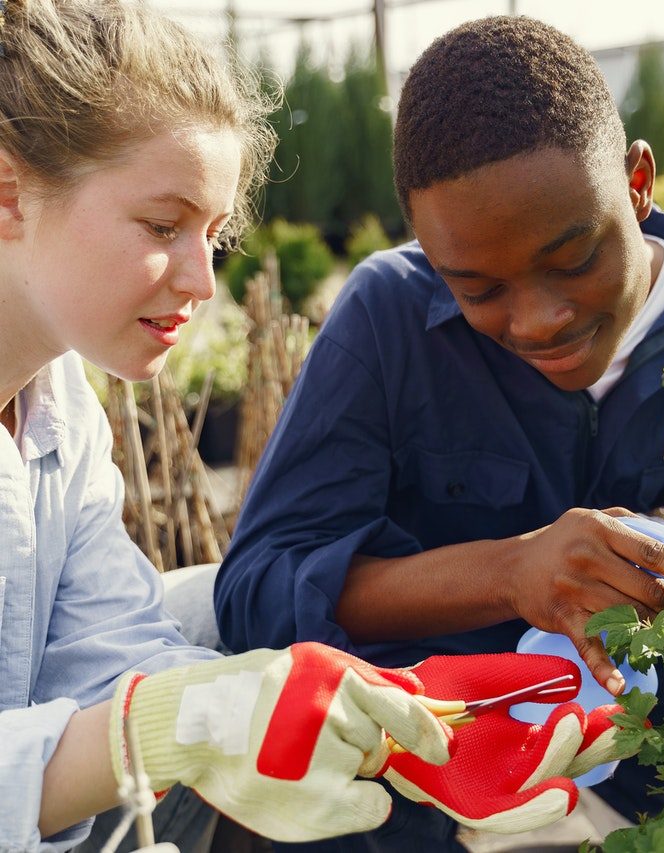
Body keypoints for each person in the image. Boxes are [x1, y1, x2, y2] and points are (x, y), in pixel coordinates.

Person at [214, 15, 664, 852]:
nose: (538, 320)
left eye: (574, 259)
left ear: (637, 182)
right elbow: (257, 588)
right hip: (425, 801)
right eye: (476, 288)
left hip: (656, 795)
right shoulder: (386, 321)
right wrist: (509, 572)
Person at [0, 4, 614, 851]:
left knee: (207, 631)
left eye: (214, 235)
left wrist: (383, 727)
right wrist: (166, 723)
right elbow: (144, 715)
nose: (202, 281)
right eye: (162, 225)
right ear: (10, 194)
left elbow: (115, 648)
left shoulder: (57, 404)